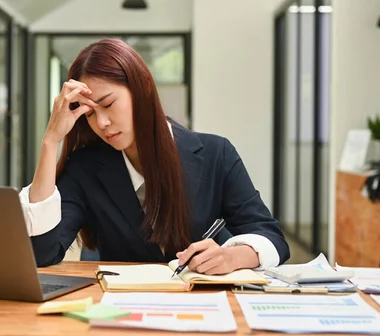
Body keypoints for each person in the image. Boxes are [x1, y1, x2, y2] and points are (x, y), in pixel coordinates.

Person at [18, 38, 290, 275]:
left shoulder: (216, 154)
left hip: (206, 307)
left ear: (141, 91)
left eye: (109, 104)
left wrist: (231, 257)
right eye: (89, 114)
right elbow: (43, 253)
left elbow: (273, 240)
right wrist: (50, 141)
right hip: (123, 311)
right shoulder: (85, 167)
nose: (101, 122)